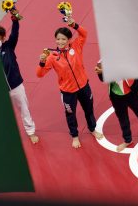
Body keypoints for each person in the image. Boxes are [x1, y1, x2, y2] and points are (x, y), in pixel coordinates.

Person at [36, 18, 103, 148]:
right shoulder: (52, 57)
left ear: (69, 40)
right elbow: (39, 74)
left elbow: (84, 33)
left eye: (63, 39)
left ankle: (92, 129)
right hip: (68, 92)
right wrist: (42, 62)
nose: (60, 41)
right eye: (58, 39)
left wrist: (73, 24)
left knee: (89, 109)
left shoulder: (76, 46)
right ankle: (75, 136)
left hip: (84, 86)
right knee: (70, 114)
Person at [95, 60, 138, 153]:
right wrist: (101, 73)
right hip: (116, 96)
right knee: (122, 119)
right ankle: (127, 140)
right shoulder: (104, 60)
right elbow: (103, 79)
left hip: (132, 94)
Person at [0, 16, 39, 144]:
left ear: (3, 38)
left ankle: (31, 132)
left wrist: (15, 20)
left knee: (24, 109)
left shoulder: (8, 47)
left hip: (15, 86)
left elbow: (15, 33)